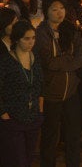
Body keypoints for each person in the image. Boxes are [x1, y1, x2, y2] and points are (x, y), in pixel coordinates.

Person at [36, 0, 82, 167]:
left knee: (73, 134)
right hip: (51, 93)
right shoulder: (41, 33)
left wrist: (64, 62)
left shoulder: (70, 30)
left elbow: (81, 58)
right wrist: (69, 61)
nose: (59, 13)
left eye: (62, 8)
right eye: (54, 9)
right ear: (46, 12)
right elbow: (48, 62)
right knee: (50, 136)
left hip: (71, 91)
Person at [0, 20, 43, 167]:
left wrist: (40, 111)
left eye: (33, 38)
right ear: (17, 39)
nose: (31, 42)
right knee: (16, 159)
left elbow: (40, 86)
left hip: (32, 117)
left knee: (28, 157)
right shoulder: (6, 60)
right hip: (13, 117)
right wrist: (4, 114)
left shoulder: (35, 58)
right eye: (27, 38)